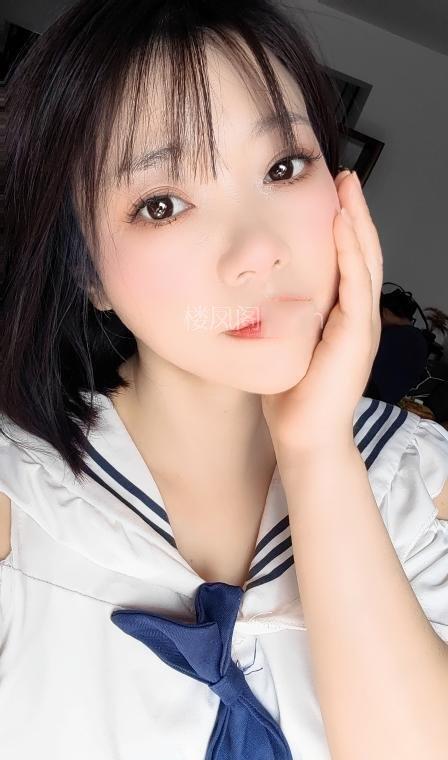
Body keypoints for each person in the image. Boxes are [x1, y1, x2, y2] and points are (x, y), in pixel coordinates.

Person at [1, 1, 448, 758]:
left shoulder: (423, 488)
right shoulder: (21, 504)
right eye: (162, 205)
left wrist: (316, 450)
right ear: (86, 270)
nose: (258, 251)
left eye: (283, 167)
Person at [364, 292, 430, 403]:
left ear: (385, 312)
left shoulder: (391, 335)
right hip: (390, 402)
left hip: (370, 397)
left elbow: (369, 369)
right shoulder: (420, 339)